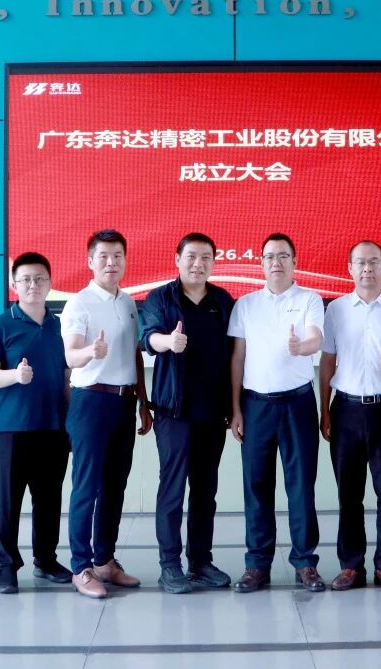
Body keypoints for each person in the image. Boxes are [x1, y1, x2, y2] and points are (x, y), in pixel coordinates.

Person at [229, 232, 326, 593]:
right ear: (261, 263)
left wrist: (303, 347)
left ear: (294, 262)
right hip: (255, 406)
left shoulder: (309, 299)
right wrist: (235, 408)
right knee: (256, 486)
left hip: (298, 404)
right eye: (269, 256)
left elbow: (315, 337)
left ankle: (305, 563)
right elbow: (237, 358)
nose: (276, 262)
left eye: (283, 256)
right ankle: (257, 565)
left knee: (301, 485)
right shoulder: (245, 304)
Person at [140, 233, 235, 594]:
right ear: (177, 259)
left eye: (206, 257)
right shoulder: (161, 298)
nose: (198, 264)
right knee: (173, 488)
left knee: (205, 490)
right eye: (191, 256)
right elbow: (148, 336)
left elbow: (235, 354)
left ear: (213, 262)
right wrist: (168, 341)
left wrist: (234, 408)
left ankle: (200, 561)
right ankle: (170, 565)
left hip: (212, 411)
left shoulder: (222, 301)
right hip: (173, 412)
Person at [318, 240, 381, 592]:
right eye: (360, 262)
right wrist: (324, 410)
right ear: (350, 268)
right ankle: (351, 565)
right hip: (345, 409)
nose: (367, 268)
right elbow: (327, 362)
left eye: (374, 262)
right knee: (349, 492)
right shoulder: (336, 310)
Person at [61, 230, 152, 599]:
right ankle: (81, 567)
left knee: (115, 485)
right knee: (87, 486)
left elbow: (133, 355)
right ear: (90, 261)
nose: (111, 262)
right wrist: (90, 353)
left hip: (124, 401)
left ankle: (104, 560)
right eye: (103, 256)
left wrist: (143, 401)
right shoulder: (78, 304)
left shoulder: (128, 302)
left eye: (117, 256)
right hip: (91, 402)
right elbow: (70, 355)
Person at [0, 252, 72, 594]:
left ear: (50, 283)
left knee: (49, 499)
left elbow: (66, 375)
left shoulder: (60, 326)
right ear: (14, 284)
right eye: (26, 279)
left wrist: (70, 417)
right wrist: (14, 376)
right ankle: (6, 566)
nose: (33, 285)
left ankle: (45, 560)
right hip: (12, 428)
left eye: (40, 279)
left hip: (53, 427)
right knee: (8, 501)